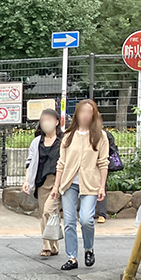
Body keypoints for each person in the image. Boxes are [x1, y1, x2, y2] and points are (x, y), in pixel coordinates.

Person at [51, 99, 109, 271]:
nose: (85, 115)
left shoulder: (100, 136)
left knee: (85, 219)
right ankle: (72, 257)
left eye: (89, 112)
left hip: (90, 183)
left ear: (94, 115)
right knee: (69, 221)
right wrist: (56, 187)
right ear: (77, 114)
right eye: (82, 111)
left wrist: (102, 187)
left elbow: (103, 163)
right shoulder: (68, 136)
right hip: (69, 183)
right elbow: (61, 162)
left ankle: (89, 249)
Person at [22, 108, 62, 257]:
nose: (46, 123)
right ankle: (53, 246)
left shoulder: (63, 141)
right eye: (43, 120)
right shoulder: (37, 142)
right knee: (47, 214)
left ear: (57, 122)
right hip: (42, 182)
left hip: (57, 181)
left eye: (49, 120)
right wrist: (27, 180)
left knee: (48, 212)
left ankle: (47, 245)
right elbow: (30, 162)